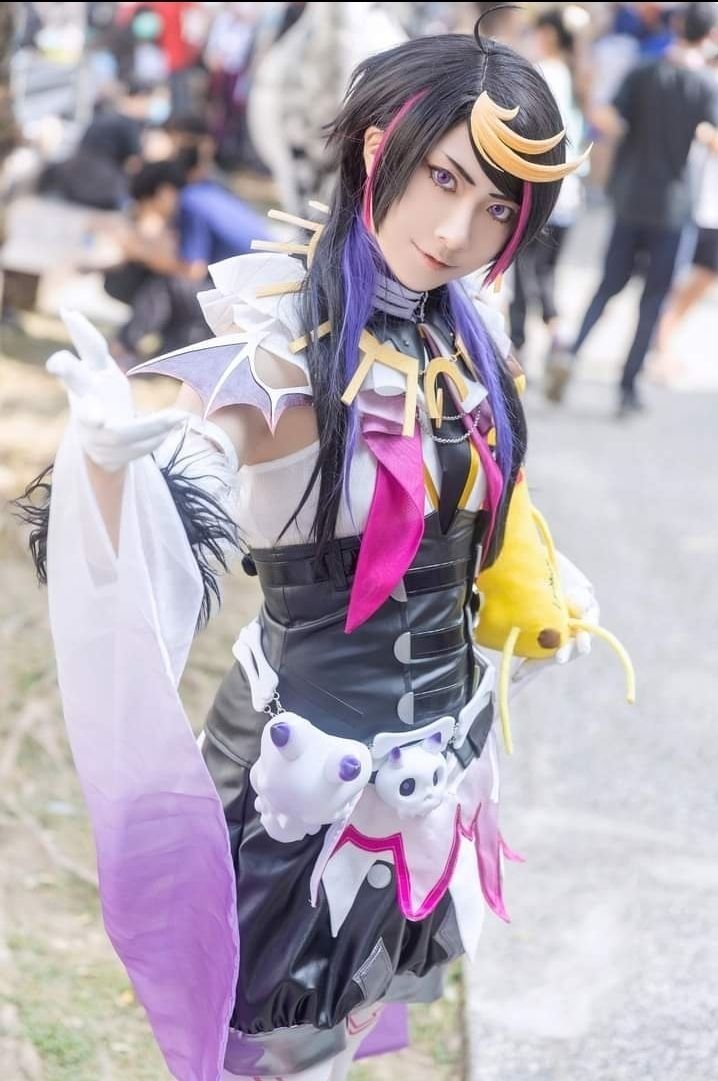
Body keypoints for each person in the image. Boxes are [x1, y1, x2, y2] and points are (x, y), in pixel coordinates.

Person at [19, 23, 606, 1081]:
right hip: (298, 778)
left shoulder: (469, 337)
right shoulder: (277, 345)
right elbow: (181, 481)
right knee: (262, 1053)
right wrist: (106, 466)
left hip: (434, 767)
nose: (458, 230)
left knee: (334, 1041)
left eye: (496, 206)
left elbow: (477, 523)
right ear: (379, 150)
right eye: (443, 178)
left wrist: (541, 592)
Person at [545, 1, 718, 416]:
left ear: (678, 25)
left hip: (630, 198)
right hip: (674, 205)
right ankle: (627, 386)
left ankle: (572, 353)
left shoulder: (644, 71)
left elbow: (606, 118)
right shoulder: (705, 86)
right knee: (653, 298)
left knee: (608, 284)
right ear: (710, 36)